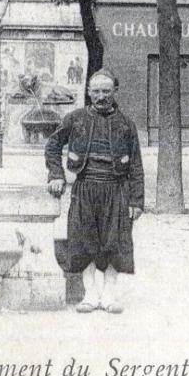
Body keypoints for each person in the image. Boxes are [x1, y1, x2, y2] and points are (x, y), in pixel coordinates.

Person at [45, 70, 144, 314]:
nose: (101, 96)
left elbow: (136, 165)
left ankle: (109, 295)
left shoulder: (126, 125)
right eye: (97, 91)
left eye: (106, 91)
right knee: (83, 240)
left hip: (116, 190)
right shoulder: (75, 119)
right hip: (85, 188)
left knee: (115, 241)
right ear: (88, 92)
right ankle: (90, 294)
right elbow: (52, 146)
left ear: (115, 92)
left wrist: (136, 200)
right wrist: (56, 174)